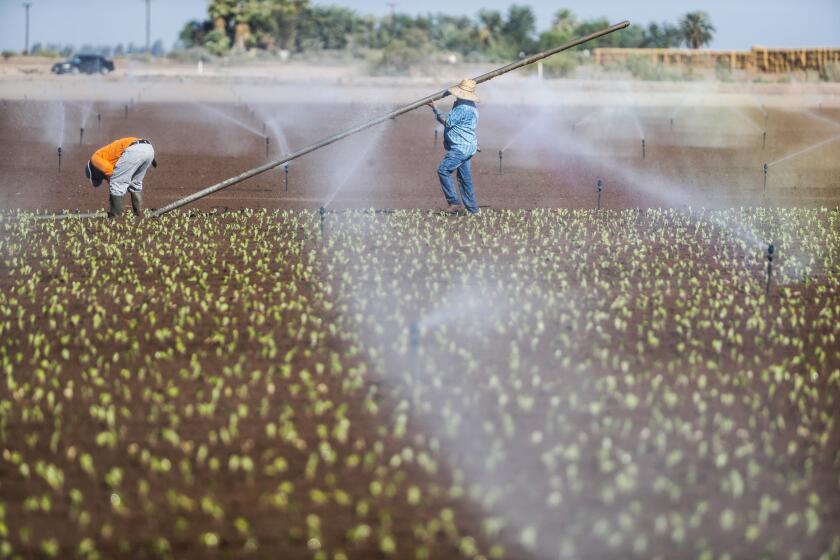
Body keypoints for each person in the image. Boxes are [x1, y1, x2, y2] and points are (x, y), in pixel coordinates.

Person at [428, 78, 480, 215]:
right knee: (464, 178)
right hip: (468, 146)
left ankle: (454, 203)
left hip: (460, 147)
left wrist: (435, 109)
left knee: (443, 170)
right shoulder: (472, 107)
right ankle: (473, 209)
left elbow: (447, 121)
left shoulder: (462, 108)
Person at [84, 137, 156, 217]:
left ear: (94, 171)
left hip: (134, 151)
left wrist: (111, 180)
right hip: (148, 148)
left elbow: (111, 172)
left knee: (116, 183)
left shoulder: (95, 159)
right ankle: (139, 215)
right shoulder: (106, 155)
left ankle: (116, 216)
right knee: (135, 184)